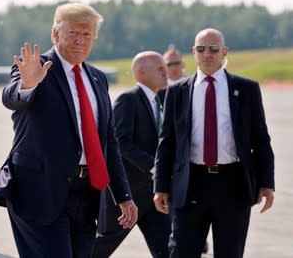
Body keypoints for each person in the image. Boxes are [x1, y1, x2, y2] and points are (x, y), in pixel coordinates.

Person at [0, 2, 138, 257]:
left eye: (87, 34)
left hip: (86, 195)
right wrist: (28, 83)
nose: (80, 40)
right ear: (55, 33)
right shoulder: (36, 67)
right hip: (40, 191)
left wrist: (123, 194)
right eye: (73, 33)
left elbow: (108, 141)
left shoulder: (97, 78)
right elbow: (12, 98)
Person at [153, 28, 275, 258]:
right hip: (190, 184)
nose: (206, 53)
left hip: (233, 185)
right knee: (180, 251)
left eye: (213, 48)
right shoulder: (177, 92)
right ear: (194, 52)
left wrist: (266, 183)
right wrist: (160, 186)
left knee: (230, 253)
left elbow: (261, 141)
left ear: (224, 51)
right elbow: (166, 142)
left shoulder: (246, 89)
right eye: (201, 49)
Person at [93, 51, 171, 257]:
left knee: (168, 250)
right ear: (141, 72)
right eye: (160, 69)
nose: (166, 72)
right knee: (100, 249)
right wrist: (153, 166)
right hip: (127, 196)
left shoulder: (161, 100)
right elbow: (120, 142)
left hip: (154, 196)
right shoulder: (128, 100)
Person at [162, 46, 210, 255]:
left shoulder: (194, 88)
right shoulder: (162, 91)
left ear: (183, 64)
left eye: (175, 63)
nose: (172, 68)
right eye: (168, 64)